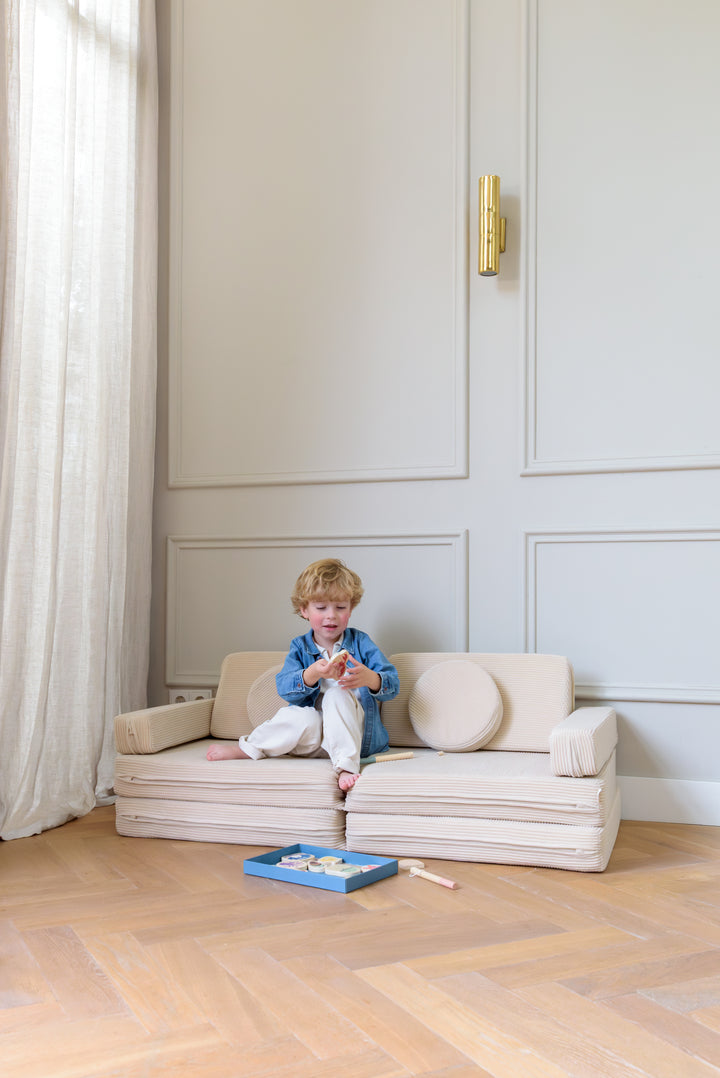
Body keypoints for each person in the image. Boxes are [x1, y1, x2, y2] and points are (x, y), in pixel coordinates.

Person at [206, 559, 399, 791]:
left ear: (351, 608)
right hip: (317, 739)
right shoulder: (299, 647)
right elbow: (285, 688)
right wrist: (311, 673)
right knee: (298, 716)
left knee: (337, 694)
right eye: (321, 608)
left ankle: (347, 765)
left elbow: (393, 686)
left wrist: (371, 679)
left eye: (340, 607)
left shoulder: (361, 643)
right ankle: (250, 747)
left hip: (355, 738)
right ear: (304, 610)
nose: (331, 616)